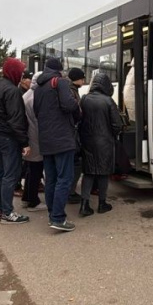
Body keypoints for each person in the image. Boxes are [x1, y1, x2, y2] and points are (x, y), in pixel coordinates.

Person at [34, 57, 81, 232]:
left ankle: (52, 215)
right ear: (59, 70)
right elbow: (69, 105)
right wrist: (76, 106)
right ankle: (58, 218)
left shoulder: (38, 87)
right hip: (62, 138)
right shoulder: (60, 82)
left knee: (51, 179)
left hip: (45, 139)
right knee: (65, 178)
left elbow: (37, 112)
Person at [0, 58, 31, 224]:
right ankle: (7, 212)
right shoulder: (12, 91)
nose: (21, 75)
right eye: (20, 72)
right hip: (9, 137)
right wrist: (24, 142)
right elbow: (16, 120)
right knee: (10, 175)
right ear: (14, 72)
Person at [78, 73, 123, 216]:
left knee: (89, 172)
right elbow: (117, 125)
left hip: (87, 141)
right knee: (103, 173)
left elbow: (78, 119)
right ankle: (102, 204)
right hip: (104, 142)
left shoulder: (84, 99)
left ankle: (84, 205)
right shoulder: (109, 101)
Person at [21, 71, 46, 212]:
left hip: (30, 136)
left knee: (31, 168)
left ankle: (27, 197)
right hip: (35, 137)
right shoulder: (35, 97)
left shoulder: (28, 95)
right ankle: (33, 201)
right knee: (36, 169)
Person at [66, 67, 87, 204]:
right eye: (82, 78)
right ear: (77, 79)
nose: (84, 80)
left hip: (69, 132)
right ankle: (70, 192)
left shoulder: (72, 90)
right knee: (75, 163)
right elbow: (75, 112)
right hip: (71, 133)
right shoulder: (71, 91)